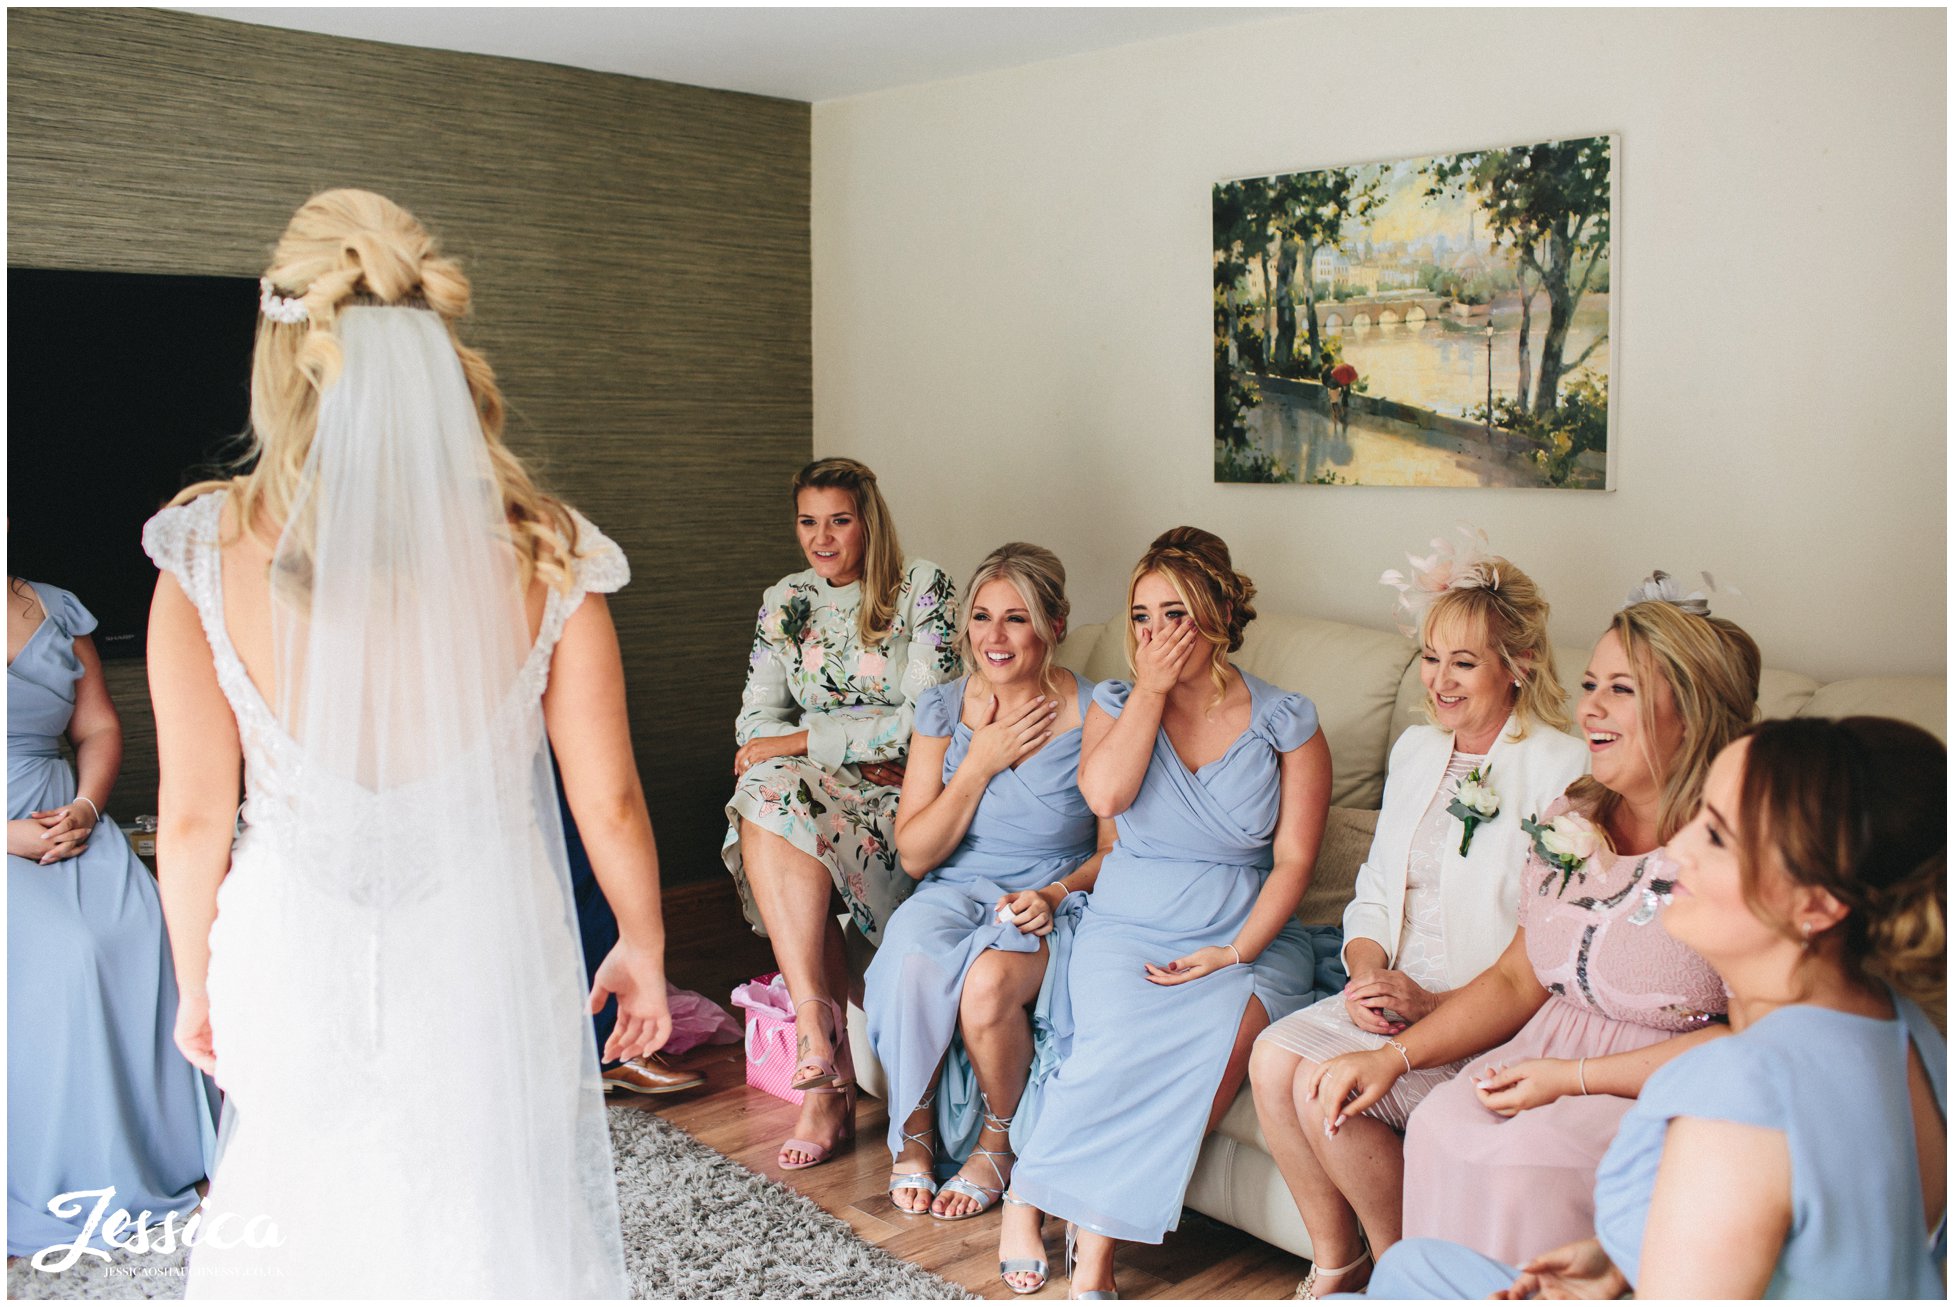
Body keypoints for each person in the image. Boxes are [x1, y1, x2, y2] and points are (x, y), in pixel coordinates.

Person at [143, 190, 671, 1295]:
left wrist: (196, 981)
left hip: (291, 941)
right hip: (484, 938)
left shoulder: (203, 550)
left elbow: (191, 816)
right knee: (486, 1204)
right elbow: (608, 796)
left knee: (301, 1205)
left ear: (281, 353)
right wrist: (641, 941)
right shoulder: (547, 551)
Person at [1366, 715, 1945, 1299]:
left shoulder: (1740, 1093)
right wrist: (1624, 1263)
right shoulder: (1906, 1029)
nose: (1678, 847)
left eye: (1716, 835)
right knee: (1409, 1267)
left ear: (1815, 906)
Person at [1302, 575, 1762, 1274]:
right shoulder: (1569, 815)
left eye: (1622, 689)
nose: (1591, 709)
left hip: (1654, 1081)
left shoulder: (1735, 846)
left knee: (1526, 1161)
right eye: (1590, 684)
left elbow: (1750, 1042)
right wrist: (1391, 1058)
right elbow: (1520, 974)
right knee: (1440, 1123)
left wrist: (1573, 1077)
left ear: (1691, 713)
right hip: (1540, 1046)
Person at [1005, 526, 1345, 1299]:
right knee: (1118, 1040)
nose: (1154, 634)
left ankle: (1061, 1213)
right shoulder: (1119, 704)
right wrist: (1153, 692)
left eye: (1175, 614)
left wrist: (1235, 951)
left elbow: (1293, 862)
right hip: (1128, 921)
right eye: (1140, 616)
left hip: (1244, 932)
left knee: (1213, 1051)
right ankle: (1082, 1244)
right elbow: (1105, 799)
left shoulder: (1288, 721)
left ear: (1219, 612)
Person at [1247, 531, 1588, 1295]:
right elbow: (1372, 891)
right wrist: (1367, 972)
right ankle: (1338, 1261)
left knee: (1319, 1084)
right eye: (1431, 658)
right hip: (1394, 991)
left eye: (1462, 662)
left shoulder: (1561, 766)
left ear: (1518, 664)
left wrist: (1430, 1003)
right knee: (1273, 1058)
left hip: (1479, 1013)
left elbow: (1543, 951)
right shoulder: (1415, 750)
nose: (1438, 680)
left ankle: (1404, 1270)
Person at [864, 543, 1113, 1241]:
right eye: (981, 617)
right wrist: (978, 762)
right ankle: (912, 1131)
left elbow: (1116, 851)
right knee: (909, 957)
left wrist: (1058, 892)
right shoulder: (944, 707)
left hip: (1050, 894)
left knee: (987, 983)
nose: (993, 638)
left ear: (1054, 624)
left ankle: (998, 1142)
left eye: (1016, 618)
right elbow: (914, 851)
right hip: (952, 886)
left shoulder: (1097, 709)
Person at [723, 456, 960, 1171]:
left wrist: (807, 742)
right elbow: (751, 729)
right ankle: (818, 1041)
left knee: (776, 791)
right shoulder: (784, 600)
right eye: (807, 521)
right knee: (767, 792)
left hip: (904, 794)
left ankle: (823, 1085)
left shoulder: (922, 588)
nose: (821, 538)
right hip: (809, 791)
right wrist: (826, 751)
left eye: (839, 520)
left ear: (868, 521)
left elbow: (928, 717)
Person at [8, 576, 218, 1259]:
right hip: (10, 835)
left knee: (142, 924)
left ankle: (164, 1146)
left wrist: (88, 809)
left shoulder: (57, 606)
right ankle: (74, 1161)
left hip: (66, 815)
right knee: (72, 949)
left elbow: (97, 726)